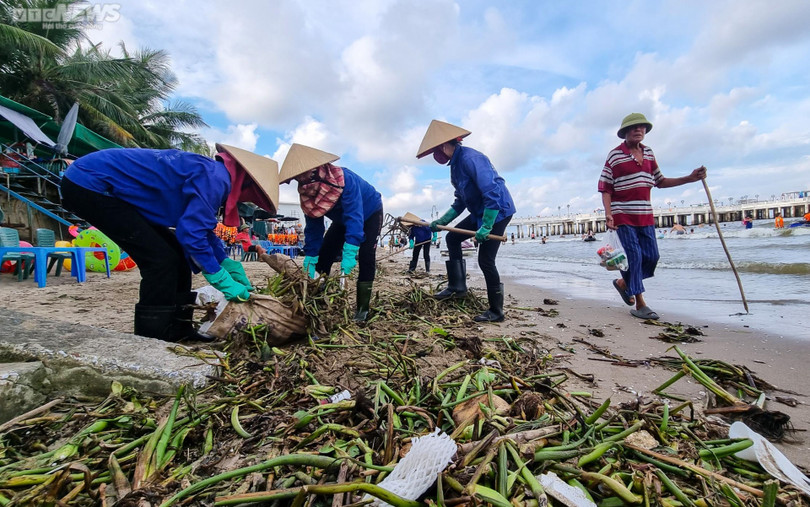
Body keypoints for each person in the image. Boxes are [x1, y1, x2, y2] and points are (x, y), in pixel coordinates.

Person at [61, 145, 278, 341]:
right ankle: (152, 336)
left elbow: (199, 225)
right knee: (160, 260)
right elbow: (192, 233)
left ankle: (179, 328)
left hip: (104, 187)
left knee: (178, 256)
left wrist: (225, 262)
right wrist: (219, 277)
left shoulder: (214, 174)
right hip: (91, 184)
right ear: (247, 183)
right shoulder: (216, 179)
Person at [599, 113, 706, 321]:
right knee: (634, 257)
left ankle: (624, 283)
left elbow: (660, 181)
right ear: (625, 132)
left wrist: (690, 178)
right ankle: (640, 304)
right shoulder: (615, 156)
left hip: (645, 215)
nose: (638, 130)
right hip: (622, 215)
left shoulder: (648, 153)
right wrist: (608, 213)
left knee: (651, 256)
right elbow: (605, 188)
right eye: (633, 128)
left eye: (642, 127)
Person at [416, 119, 516, 323]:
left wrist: (487, 226)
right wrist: (442, 221)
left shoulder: (471, 158)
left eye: (438, 149)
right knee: (452, 238)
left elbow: (492, 192)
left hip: (497, 211)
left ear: (445, 145)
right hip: (479, 212)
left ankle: (496, 311)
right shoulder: (455, 166)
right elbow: (460, 201)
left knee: (485, 260)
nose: (438, 154)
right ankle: (457, 287)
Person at [279, 143, 383, 322]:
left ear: (318, 169)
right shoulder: (308, 194)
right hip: (341, 220)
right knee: (325, 252)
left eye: (306, 176)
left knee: (366, 254)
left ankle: (362, 309)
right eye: (299, 179)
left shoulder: (345, 180)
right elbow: (314, 227)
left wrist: (350, 251)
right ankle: (318, 295)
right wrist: (311, 255)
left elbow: (355, 217)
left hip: (369, 213)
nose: (304, 183)